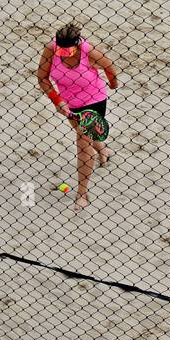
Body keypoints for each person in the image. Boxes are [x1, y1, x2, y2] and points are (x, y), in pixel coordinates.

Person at [36, 21, 119, 212]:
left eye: (68, 51)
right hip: (69, 104)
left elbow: (110, 67)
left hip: (93, 101)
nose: (63, 54)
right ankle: (102, 150)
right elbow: (42, 78)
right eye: (60, 50)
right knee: (86, 138)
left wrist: (113, 84)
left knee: (82, 143)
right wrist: (57, 101)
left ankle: (82, 192)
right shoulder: (51, 49)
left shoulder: (90, 52)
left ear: (78, 43)